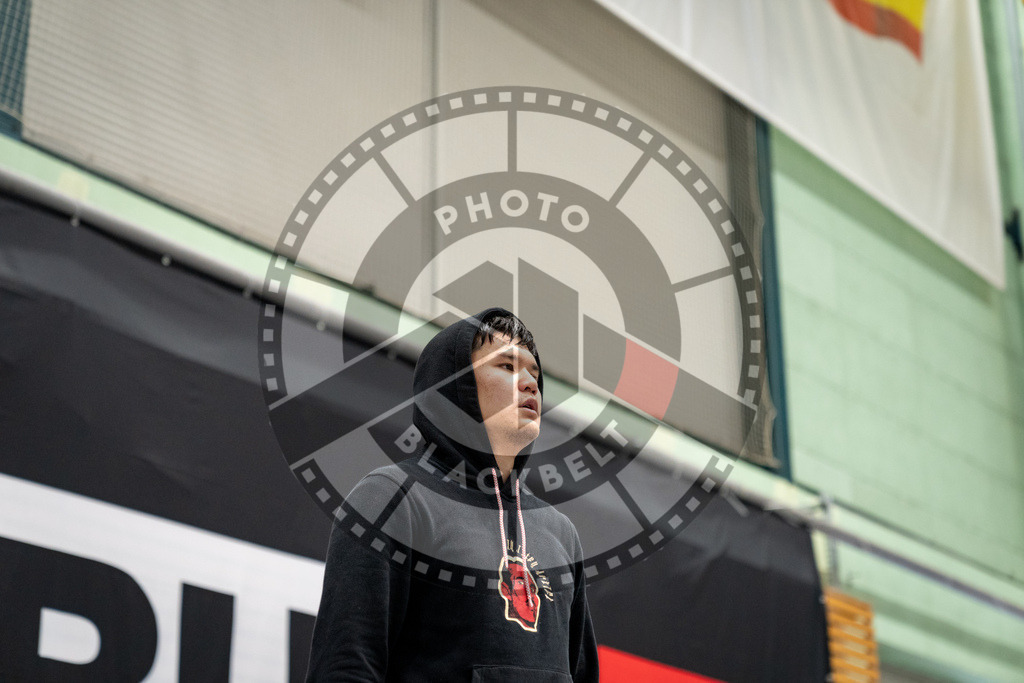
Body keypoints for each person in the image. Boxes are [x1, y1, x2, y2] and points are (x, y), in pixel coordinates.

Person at [306, 307, 599, 682]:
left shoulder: (560, 533)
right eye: (507, 366)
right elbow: (346, 666)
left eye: (533, 373)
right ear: (455, 386)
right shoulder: (393, 498)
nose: (530, 384)